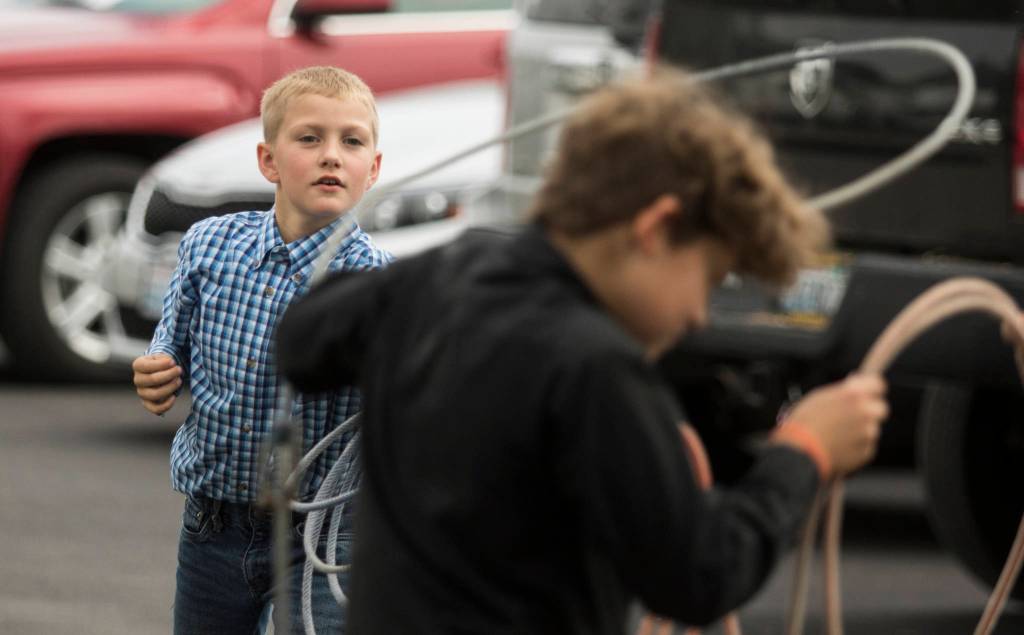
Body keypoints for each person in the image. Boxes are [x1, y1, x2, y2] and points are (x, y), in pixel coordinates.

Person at [275, 68, 889, 634]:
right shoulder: (597, 369)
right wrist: (804, 450)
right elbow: (699, 575)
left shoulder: (445, 274)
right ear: (655, 231)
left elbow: (303, 342)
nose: (701, 313)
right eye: (708, 275)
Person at [131, 65, 389, 634]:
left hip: (323, 531)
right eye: (309, 138)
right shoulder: (210, 244)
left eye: (351, 142)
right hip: (214, 521)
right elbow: (168, 343)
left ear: (371, 170)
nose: (330, 155)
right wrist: (156, 370)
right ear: (268, 160)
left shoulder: (377, 285)